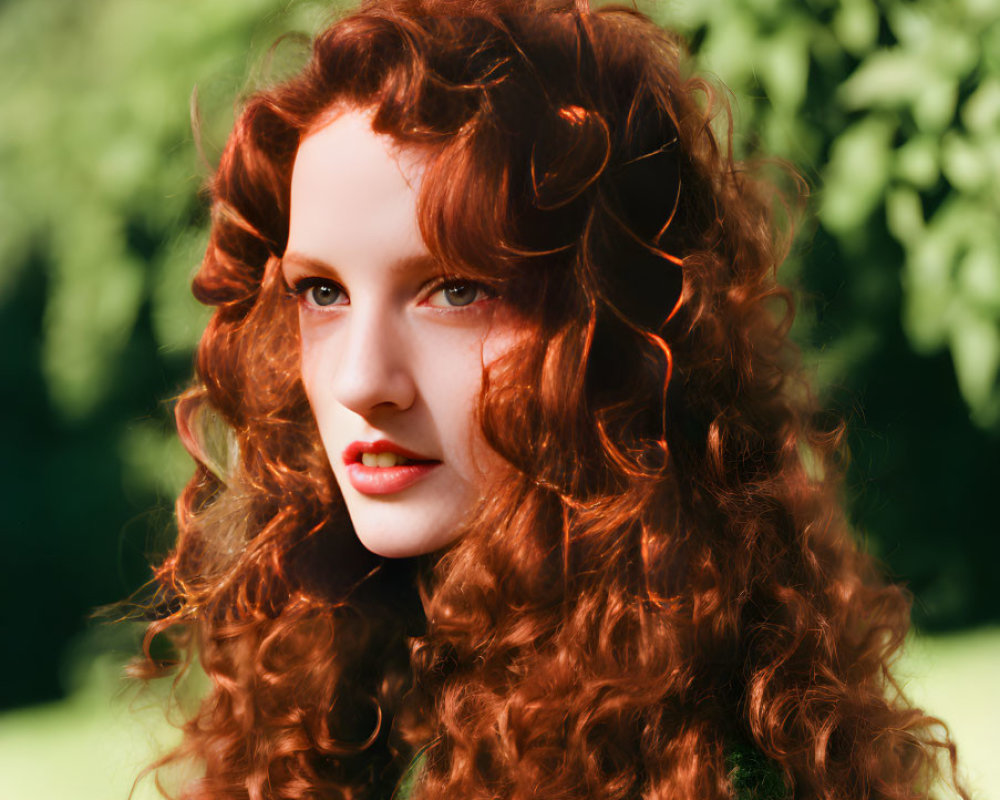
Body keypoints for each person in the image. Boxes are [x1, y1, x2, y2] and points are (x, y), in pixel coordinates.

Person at [136, 0, 965, 798]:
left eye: (457, 291)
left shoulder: (698, 769)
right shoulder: (348, 702)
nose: (361, 381)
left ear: (619, 338)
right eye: (322, 293)